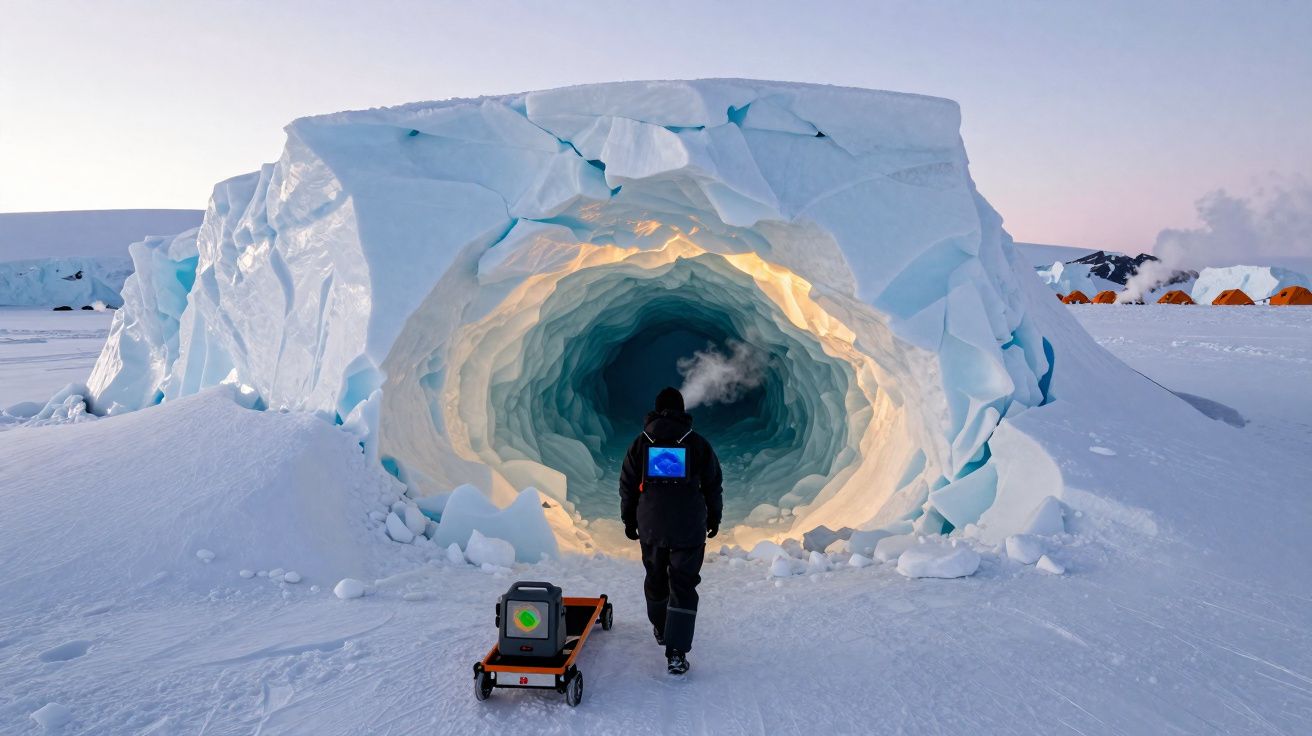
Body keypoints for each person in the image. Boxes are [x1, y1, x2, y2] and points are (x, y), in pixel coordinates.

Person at [618, 386, 723, 675]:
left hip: (652, 525)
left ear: (655, 410)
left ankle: (661, 627)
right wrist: (714, 516)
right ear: (682, 410)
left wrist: (629, 519)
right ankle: (676, 653)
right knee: (683, 584)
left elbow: (627, 485)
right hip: (689, 526)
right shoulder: (697, 444)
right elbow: (713, 484)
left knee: (656, 579)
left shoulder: (641, 443)